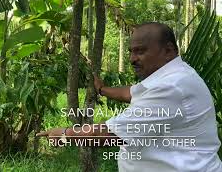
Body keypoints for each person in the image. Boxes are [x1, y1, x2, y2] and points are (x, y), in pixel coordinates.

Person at [36, 22, 222, 172]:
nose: (132, 59)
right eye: (131, 52)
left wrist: (64, 134)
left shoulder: (172, 86)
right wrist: (103, 90)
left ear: (168, 51)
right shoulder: (172, 76)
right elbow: (132, 92)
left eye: (140, 51)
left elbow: (111, 134)